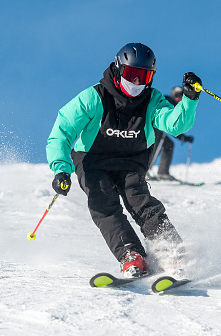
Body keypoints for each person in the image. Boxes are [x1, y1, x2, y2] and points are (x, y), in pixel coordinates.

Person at [46, 43, 201, 278]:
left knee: (139, 200)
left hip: (131, 160)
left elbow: (174, 123)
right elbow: (63, 130)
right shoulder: (95, 96)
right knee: (103, 204)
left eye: (144, 76)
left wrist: (189, 100)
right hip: (93, 160)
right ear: (119, 69)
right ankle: (132, 254)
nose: (137, 83)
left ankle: (172, 252)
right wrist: (61, 169)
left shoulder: (152, 100)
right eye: (132, 75)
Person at [150, 86, 194, 181]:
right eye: (177, 95)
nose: (179, 98)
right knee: (156, 144)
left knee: (169, 144)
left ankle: (163, 173)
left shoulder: (177, 107)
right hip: (151, 128)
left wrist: (184, 138)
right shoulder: (166, 101)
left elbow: (173, 128)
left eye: (182, 96)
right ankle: (144, 170)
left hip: (159, 130)